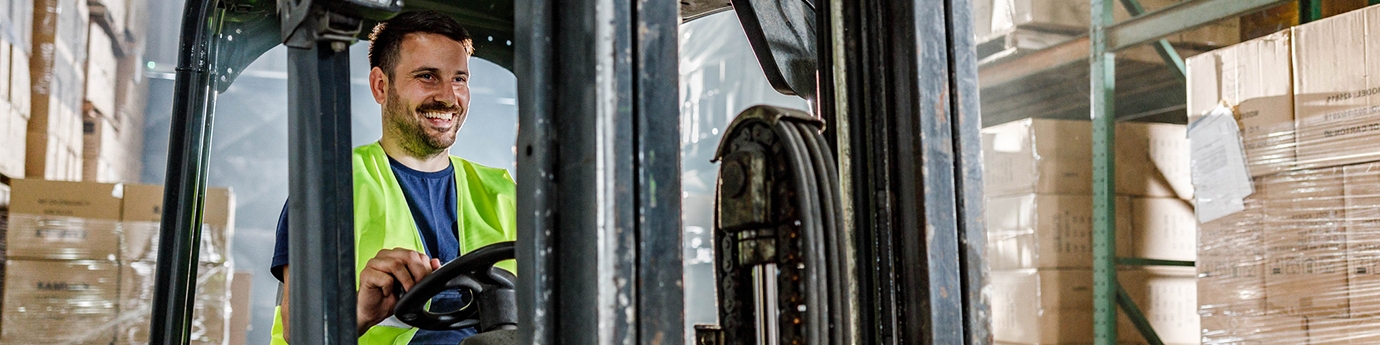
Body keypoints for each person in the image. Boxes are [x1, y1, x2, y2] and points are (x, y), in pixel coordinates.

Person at [269, 10, 517, 345]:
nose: (448, 96)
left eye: (459, 79)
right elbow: (299, 330)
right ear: (381, 85)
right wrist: (361, 311)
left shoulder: (504, 193)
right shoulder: (333, 187)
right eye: (427, 76)